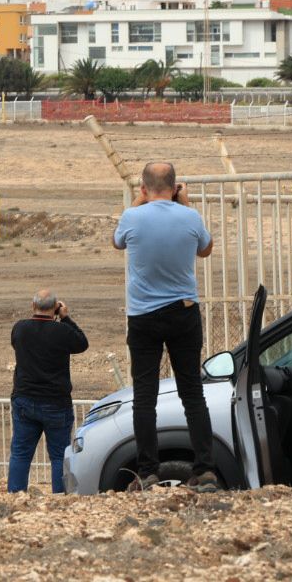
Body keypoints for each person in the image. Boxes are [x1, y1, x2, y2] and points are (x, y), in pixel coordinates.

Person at [113, 161, 216, 491]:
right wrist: (184, 204)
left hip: (143, 316)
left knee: (145, 397)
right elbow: (206, 249)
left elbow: (118, 242)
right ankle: (204, 469)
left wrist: (137, 203)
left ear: (143, 188)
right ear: (174, 187)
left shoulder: (133, 217)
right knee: (192, 393)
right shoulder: (190, 216)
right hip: (183, 313)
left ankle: (147, 472)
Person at [8, 288, 89, 493]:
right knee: (59, 455)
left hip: (24, 399)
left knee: (20, 453)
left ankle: (15, 495)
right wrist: (66, 318)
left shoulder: (20, 328)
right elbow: (82, 343)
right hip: (56, 403)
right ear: (55, 308)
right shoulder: (62, 331)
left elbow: (16, 344)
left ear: (33, 306)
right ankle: (59, 497)